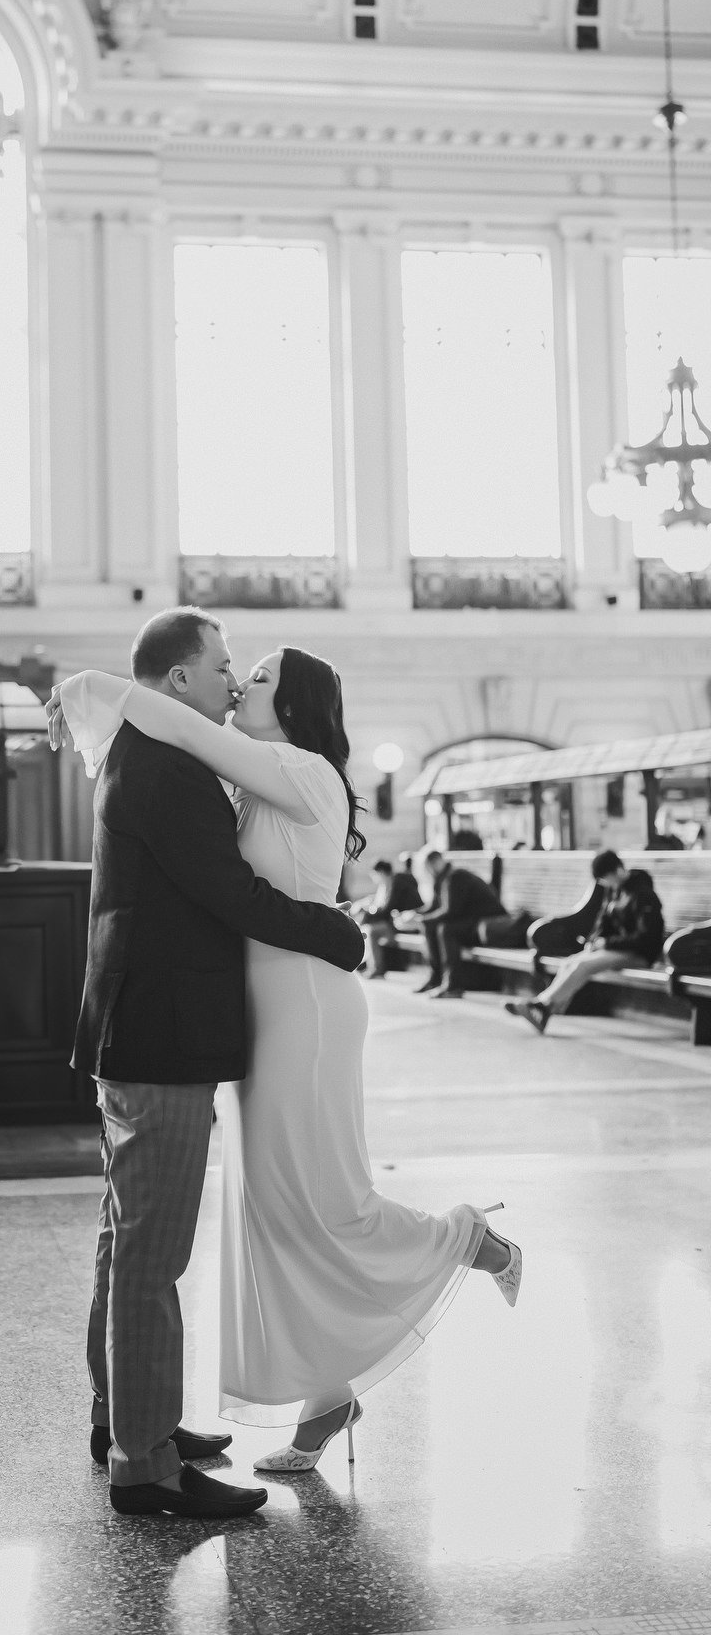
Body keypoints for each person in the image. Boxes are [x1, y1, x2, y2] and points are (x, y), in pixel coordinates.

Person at [52, 628, 520, 1491]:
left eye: (254, 674)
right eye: (230, 668)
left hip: (302, 1004)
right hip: (250, 1014)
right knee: (272, 1211)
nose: (237, 683)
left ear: (292, 704)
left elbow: (213, 791)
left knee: (322, 1201)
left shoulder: (296, 770)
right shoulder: (231, 770)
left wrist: (99, 687)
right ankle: (309, 1396)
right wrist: (104, 689)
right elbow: (227, 858)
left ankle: (467, 1238)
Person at [51, 609, 367, 1521]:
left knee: (126, 1243)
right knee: (151, 1255)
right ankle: (145, 1465)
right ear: (181, 679)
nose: (232, 680)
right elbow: (229, 893)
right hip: (164, 1034)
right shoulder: (170, 766)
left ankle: (127, 1419)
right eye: (224, 664)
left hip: (134, 1025)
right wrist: (335, 931)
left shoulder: (140, 751)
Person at [505, 853, 665, 1033]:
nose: (606, 883)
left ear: (619, 870)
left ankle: (542, 1005)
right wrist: (594, 941)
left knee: (582, 965)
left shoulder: (644, 895)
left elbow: (647, 938)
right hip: (615, 950)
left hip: (639, 955)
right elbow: (603, 922)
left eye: (607, 878)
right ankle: (545, 1009)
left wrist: (607, 943)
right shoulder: (615, 891)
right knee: (569, 962)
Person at [416, 848, 505, 998]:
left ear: (436, 863)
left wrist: (421, 920)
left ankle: (452, 985)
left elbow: (451, 911)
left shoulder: (455, 877)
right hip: (473, 923)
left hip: (488, 924)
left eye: (427, 868)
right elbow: (434, 907)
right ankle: (436, 978)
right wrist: (415, 916)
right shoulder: (443, 879)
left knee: (446, 930)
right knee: (432, 926)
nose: (427, 872)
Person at [352, 857, 422, 977]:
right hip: (395, 922)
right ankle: (367, 963)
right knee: (366, 927)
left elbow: (387, 909)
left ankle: (377, 968)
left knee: (371, 931)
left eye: (374, 875)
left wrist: (368, 912)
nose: (374, 878)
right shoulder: (388, 883)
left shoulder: (395, 883)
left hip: (403, 923)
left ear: (381, 872)